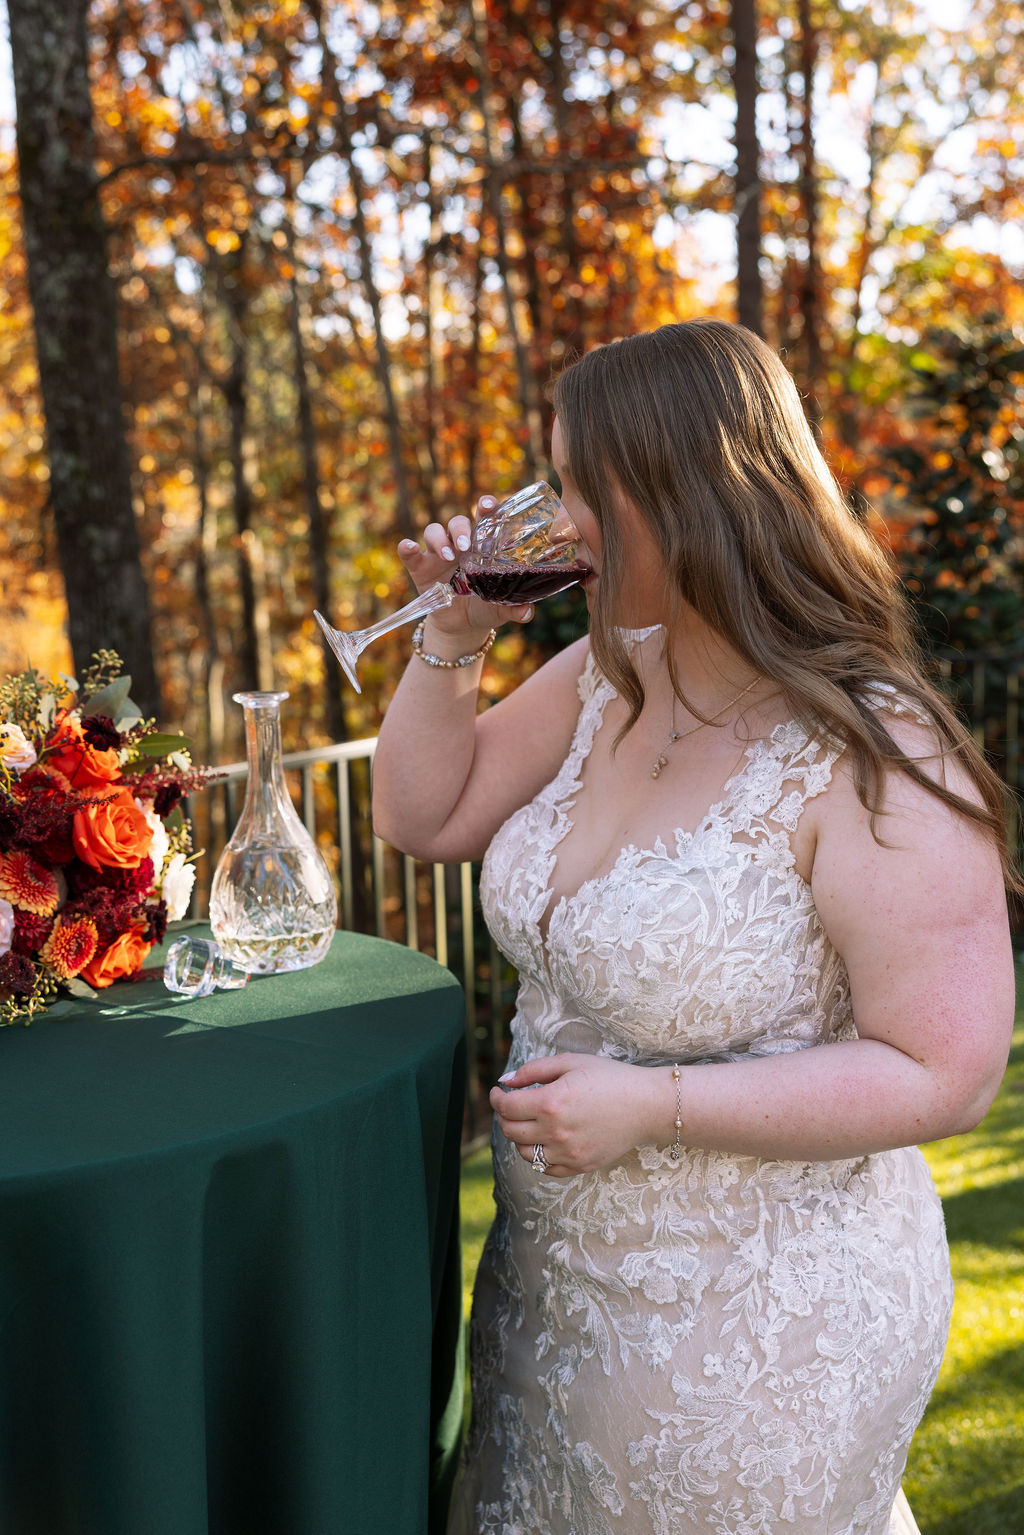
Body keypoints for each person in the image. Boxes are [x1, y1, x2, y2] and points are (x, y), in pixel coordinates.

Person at [370, 320, 1019, 1535]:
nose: (550, 518)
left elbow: (947, 1067)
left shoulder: (875, 748)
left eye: (577, 485)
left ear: (684, 491)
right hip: (554, 1287)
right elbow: (424, 813)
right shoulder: (606, 672)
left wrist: (654, 1103)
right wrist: (450, 639)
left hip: (759, 1333)